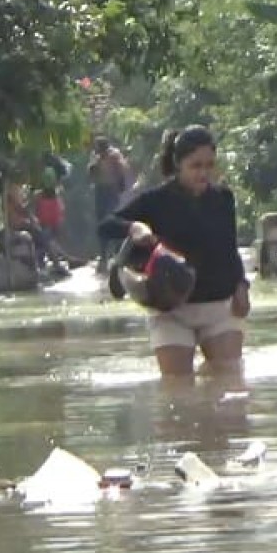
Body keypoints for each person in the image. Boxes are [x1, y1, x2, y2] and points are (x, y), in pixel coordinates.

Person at [98, 125, 251, 376]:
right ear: (178, 164)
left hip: (218, 306)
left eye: (209, 165)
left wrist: (242, 285)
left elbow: (229, 248)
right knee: (177, 388)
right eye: (196, 166)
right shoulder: (154, 201)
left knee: (229, 387)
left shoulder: (223, 199)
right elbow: (106, 226)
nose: (204, 173)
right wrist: (134, 227)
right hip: (170, 309)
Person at [89, 137, 133, 269]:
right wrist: (94, 166)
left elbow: (122, 170)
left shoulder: (114, 155)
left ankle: (117, 255)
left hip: (111, 191)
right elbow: (91, 173)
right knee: (101, 222)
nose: (99, 150)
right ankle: (103, 256)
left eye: (100, 147)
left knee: (112, 220)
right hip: (100, 190)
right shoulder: (95, 157)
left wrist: (121, 186)